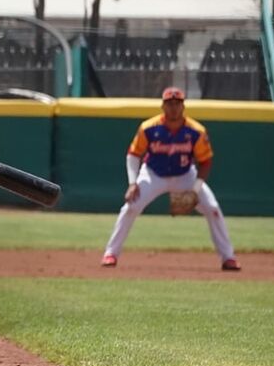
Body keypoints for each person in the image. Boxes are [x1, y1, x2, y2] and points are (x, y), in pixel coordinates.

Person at [101, 87, 240, 271]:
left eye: (177, 104)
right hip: (153, 174)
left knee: (213, 208)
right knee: (130, 207)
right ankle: (110, 253)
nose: (173, 108)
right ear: (162, 106)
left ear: (183, 106)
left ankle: (228, 257)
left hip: (185, 175)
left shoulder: (196, 131)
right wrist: (133, 183)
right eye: (169, 104)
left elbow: (205, 161)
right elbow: (133, 155)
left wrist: (195, 189)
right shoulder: (148, 128)